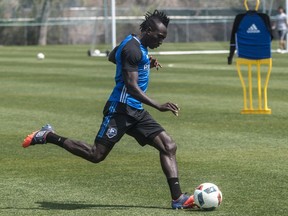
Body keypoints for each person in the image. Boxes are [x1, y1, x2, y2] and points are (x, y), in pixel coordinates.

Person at [22, 10, 195, 209]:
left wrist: (146, 61)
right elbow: (131, 87)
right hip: (120, 109)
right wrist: (158, 105)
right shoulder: (133, 49)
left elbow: (113, 57)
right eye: (159, 37)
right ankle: (48, 136)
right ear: (148, 30)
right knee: (96, 155)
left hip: (135, 110)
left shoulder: (133, 44)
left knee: (168, 146)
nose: (161, 41)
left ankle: (177, 198)